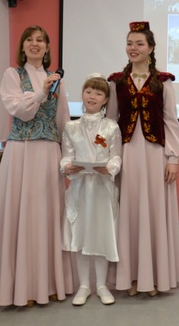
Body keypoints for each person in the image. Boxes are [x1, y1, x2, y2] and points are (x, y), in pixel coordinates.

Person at [0, 26, 73, 306]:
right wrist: (41, 92)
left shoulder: (56, 79)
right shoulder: (13, 75)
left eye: (40, 40)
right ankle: (21, 288)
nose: (35, 44)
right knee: (22, 213)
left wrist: (67, 157)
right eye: (29, 40)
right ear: (23, 46)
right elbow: (20, 111)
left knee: (47, 214)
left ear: (47, 47)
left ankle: (50, 283)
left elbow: (63, 120)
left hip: (48, 152)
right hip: (21, 153)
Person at [107, 21, 179, 296]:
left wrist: (173, 158)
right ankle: (130, 277)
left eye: (139, 43)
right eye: (130, 43)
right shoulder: (116, 81)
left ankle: (154, 278)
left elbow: (171, 120)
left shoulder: (163, 81)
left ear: (151, 48)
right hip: (127, 154)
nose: (133, 48)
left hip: (155, 155)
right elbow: (110, 122)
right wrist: (106, 156)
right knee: (129, 211)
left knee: (153, 210)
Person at [61, 74, 122, 306]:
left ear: (105, 99)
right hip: (79, 188)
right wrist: (67, 166)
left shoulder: (111, 127)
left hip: (102, 188)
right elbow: (66, 156)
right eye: (88, 92)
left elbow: (116, 155)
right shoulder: (71, 127)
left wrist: (111, 168)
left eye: (98, 93)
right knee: (81, 234)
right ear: (82, 95)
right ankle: (84, 285)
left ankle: (102, 285)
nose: (92, 96)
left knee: (102, 233)